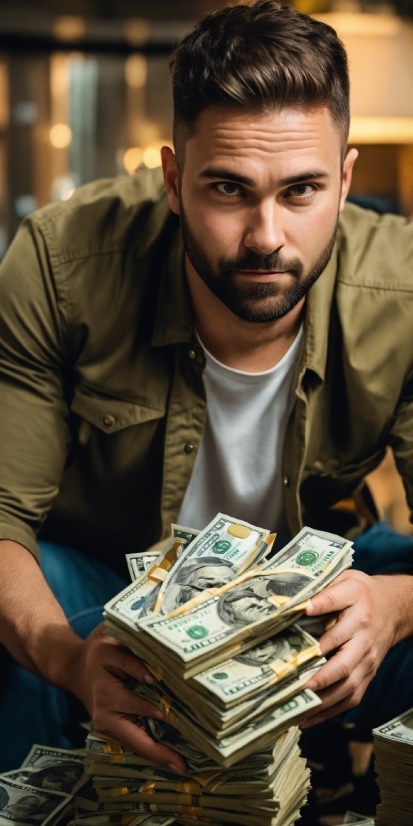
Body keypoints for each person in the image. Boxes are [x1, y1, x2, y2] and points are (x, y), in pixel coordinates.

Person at [0, 0, 412, 777]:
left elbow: (390, 590)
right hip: (104, 583)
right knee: (24, 604)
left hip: (318, 577)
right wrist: (65, 658)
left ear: (345, 178)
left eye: (301, 191)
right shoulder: (60, 264)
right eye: (228, 189)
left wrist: (392, 606)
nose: (265, 236)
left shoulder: (403, 288)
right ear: (173, 177)